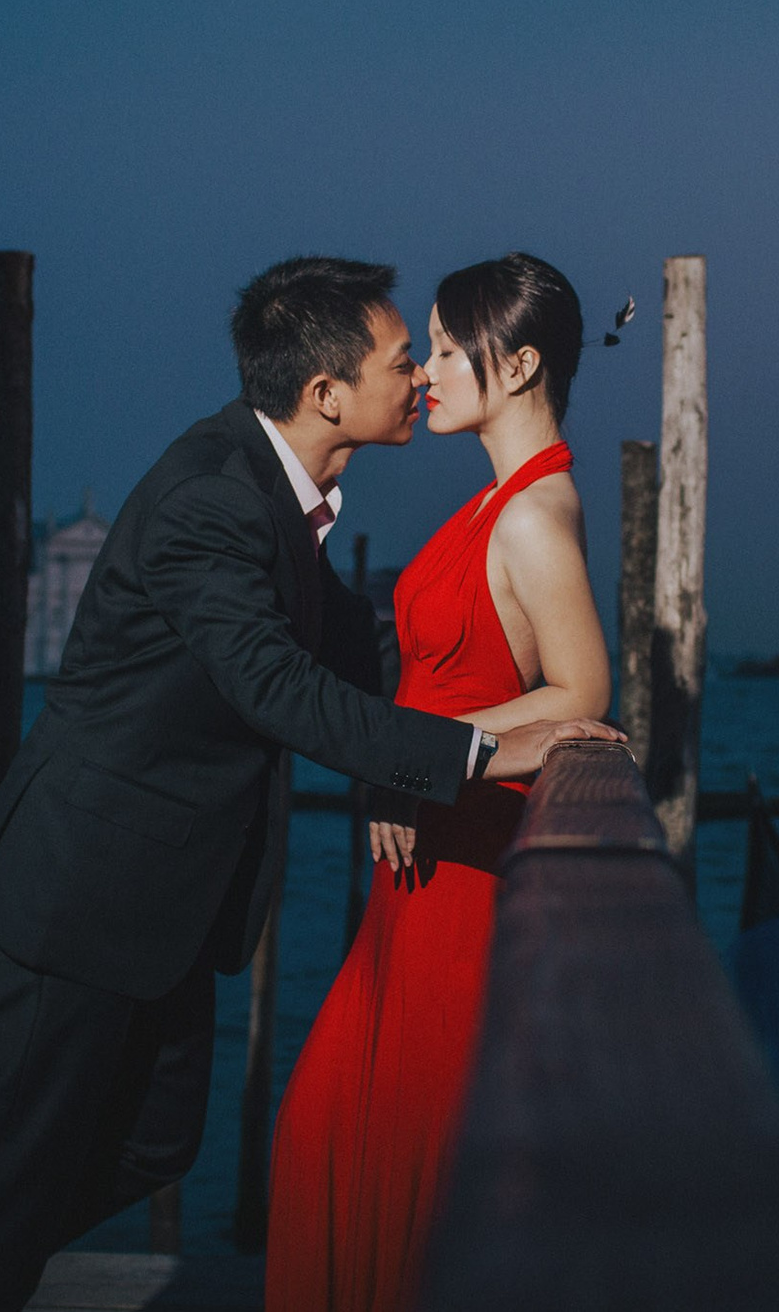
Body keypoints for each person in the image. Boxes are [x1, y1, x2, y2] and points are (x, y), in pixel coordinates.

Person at [0, 256, 622, 1310]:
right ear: (327, 393)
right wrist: (474, 755)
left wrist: (399, 760)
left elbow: (343, 638)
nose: (419, 378)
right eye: (405, 359)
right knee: (9, 1188)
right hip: (75, 892)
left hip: (160, 903)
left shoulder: (282, 488)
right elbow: (280, 686)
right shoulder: (212, 500)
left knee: (150, 1147)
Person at [265, 252, 612, 1312]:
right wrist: (400, 761)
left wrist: (407, 762)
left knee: (374, 1148)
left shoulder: (532, 515)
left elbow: (582, 690)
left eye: (451, 351)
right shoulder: (495, 503)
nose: (427, 374)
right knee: (332, 1135)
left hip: (464, 877)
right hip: (420, 879)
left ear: (519, 368)